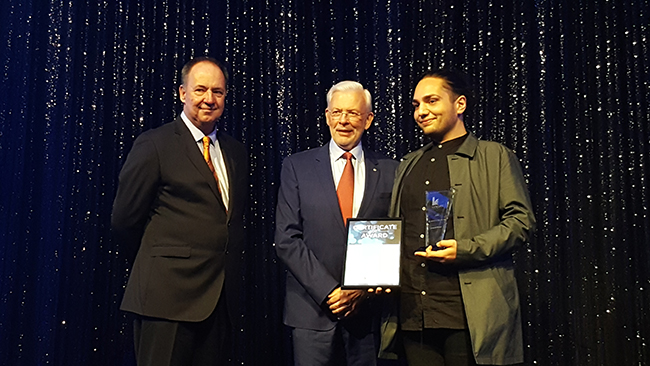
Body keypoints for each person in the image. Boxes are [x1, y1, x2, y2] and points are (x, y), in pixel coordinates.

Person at [380, 69, 536, 366]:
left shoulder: (494, 156)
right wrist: (378, 273)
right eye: (416, 105)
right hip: (416, 312)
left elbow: (520, 222)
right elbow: (397, 230)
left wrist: (465, 249)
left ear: (460, 104)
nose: (421, 111)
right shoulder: (409, 163)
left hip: (469, 313)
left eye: (431, 101)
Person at [111, 56, 248, 366]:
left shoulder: (235, 151)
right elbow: (124, 221)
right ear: (183, 93)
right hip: (166, 300)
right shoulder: (154, 144)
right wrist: (162, 264)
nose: (209, 99)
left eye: (218, 92)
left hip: (218, 301)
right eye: (200, 90)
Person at [275, 81, 398, 365]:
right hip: (311, 313)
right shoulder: (297, 167)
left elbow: (391, 237)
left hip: (367, 318)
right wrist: (330, 291)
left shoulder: (392, 170)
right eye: (337, 112)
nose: (344, 120)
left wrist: (362, 290)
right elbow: (286, 238)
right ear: (327, 116)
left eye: (353, 113)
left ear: (368, 120)